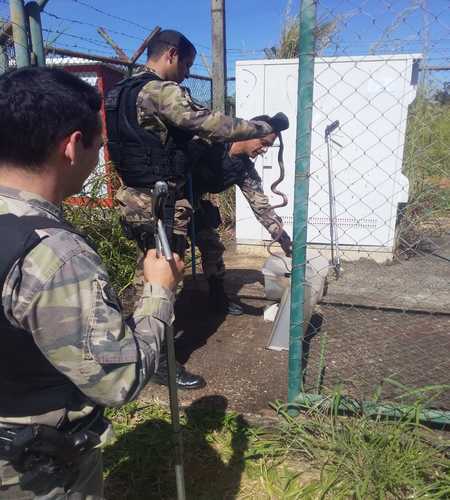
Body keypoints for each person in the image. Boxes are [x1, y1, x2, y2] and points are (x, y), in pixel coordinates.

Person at [0, 67, 183, 500]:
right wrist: (158, 291)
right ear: (71, 146)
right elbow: (119, 381)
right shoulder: (54, 255)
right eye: (97, 146)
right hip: (31, 471)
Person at [105, 29, 289, 388]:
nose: (188, 73)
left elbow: (258, 202)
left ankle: (208, 304)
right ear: (171, 55)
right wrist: (261, 125)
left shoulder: (120, 93)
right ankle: (157, 361)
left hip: (145, 197)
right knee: (163, 281)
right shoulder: (160, 92)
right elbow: (211, 125)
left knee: (169, 267)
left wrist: (282, 237)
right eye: (187, 64)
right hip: (161, 201)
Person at [188, 118, 292, 315]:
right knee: (165, 255)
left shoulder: (244, 170)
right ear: (247, 133)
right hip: (171, 198)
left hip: (195, 203)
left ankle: (218, 300)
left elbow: (262, 207)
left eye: (269, 146)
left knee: (212, 247)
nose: (264, 150)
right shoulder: (211, 142)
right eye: (263, 144)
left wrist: (283, 239)